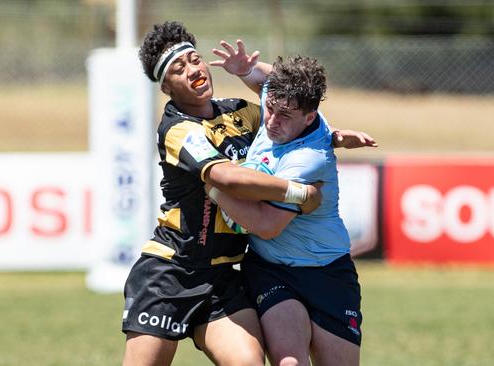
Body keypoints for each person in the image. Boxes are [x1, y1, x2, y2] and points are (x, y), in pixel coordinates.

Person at [121, 21, 374, 366]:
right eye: (179, 69)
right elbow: (225, 177)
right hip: (172, 269)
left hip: (224, 276)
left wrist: (331, 136)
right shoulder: (177, 129)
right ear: (166, 86)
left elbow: (289, 117)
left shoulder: (243, 113)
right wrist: (297, 192)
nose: (193, 70)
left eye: (194, 60)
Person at [207, 43, 369, 366]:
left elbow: (267, 225)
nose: (271, 122)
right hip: (270, 269)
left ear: (310, 116)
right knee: (289, 362)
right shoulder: (283, 100)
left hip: (327, 271)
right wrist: (245, 71)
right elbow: (268, 78)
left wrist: (212, 187)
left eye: (284, 116)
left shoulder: (309, 159)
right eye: (269, 108)